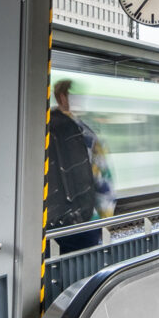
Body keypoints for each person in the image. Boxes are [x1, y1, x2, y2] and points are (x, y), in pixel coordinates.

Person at [44, 79, 106, 252]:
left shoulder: (37, 128)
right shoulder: (86, 134)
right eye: (77, 97)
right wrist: (104, 219)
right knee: (82, 272)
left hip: (43, 224)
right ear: (63, 97)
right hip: (82, 222)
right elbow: (103, 180)